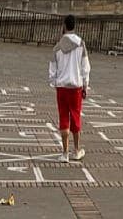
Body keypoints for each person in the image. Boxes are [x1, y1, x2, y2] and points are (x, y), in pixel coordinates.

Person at [49, 14, 91, 163]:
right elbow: (85, 67)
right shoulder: (81, 44)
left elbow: (52, 69)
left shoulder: (57, 47)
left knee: (63, 118)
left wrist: (54, 82)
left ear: (64, 26)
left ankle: (65, 152)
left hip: (61, 87)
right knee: (75, 117)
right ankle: (77, 149)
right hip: (76, 87)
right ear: (74, 26)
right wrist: (85, 84)